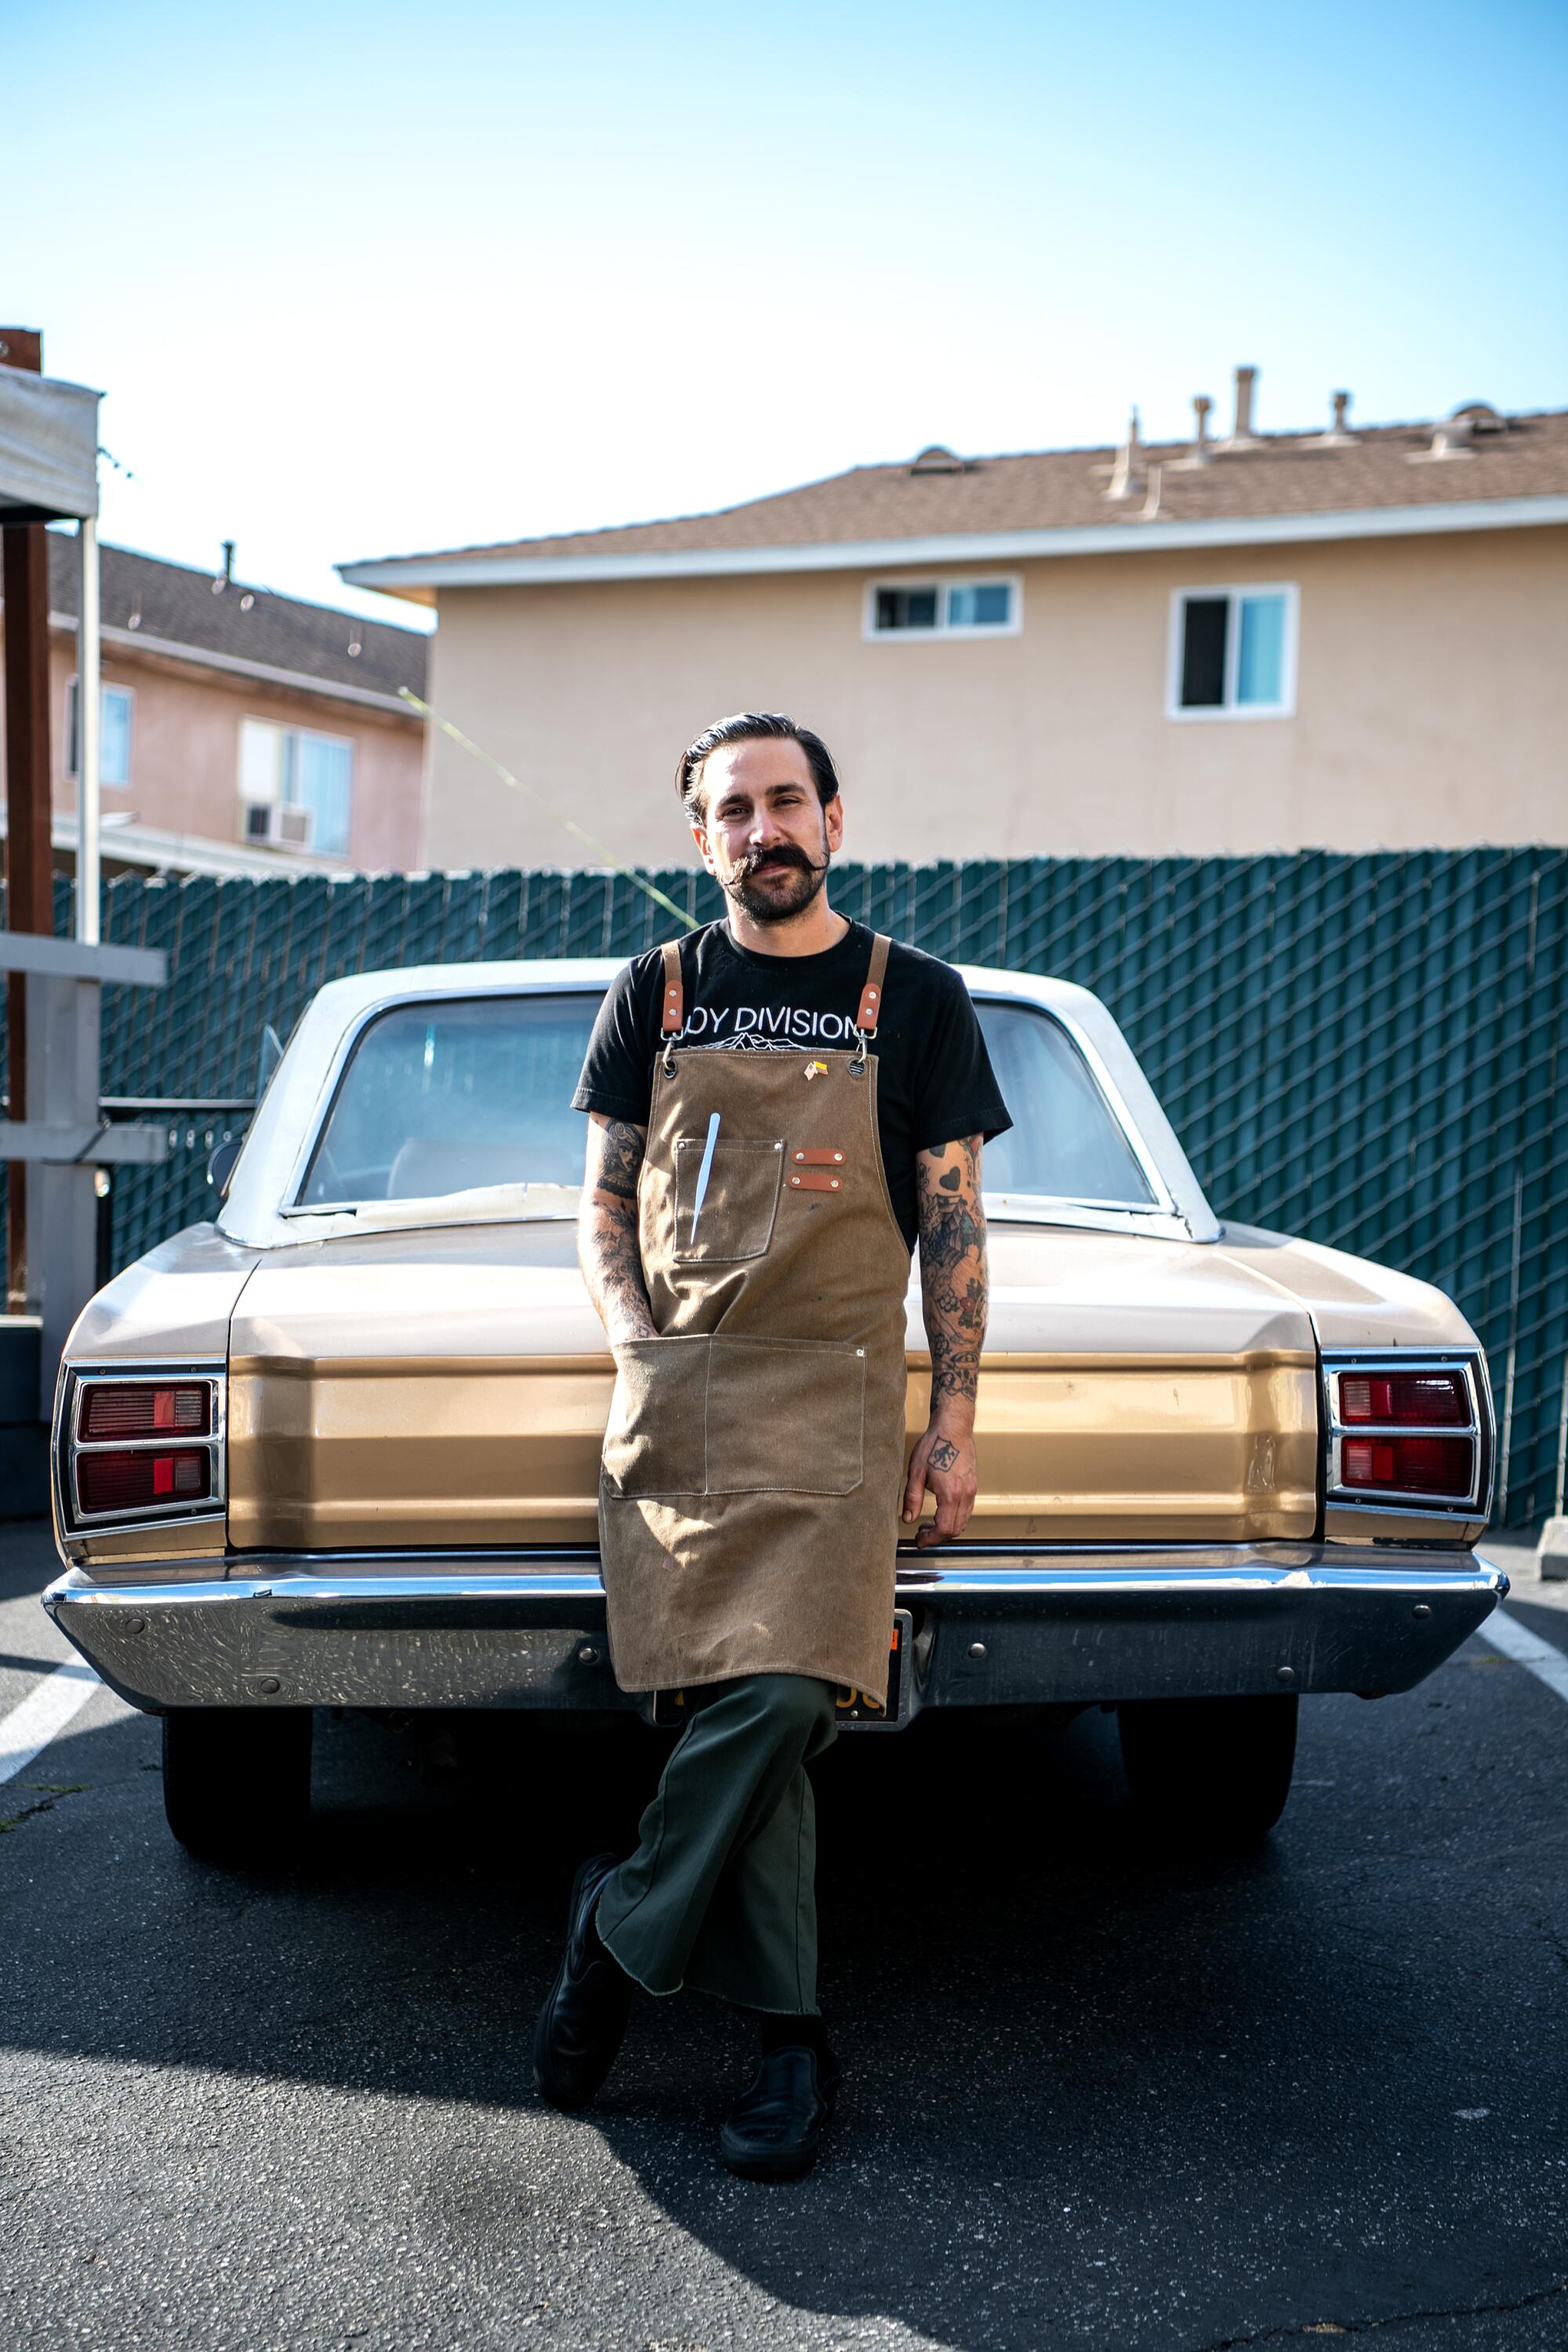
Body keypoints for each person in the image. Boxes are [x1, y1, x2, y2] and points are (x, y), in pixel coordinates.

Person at [534, 711, 1010, 2180]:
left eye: (787, 802)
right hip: (683, 1396)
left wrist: (955, 1419)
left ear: (836, 820)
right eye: (733, 811)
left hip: (838, 1411)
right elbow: (604, 1201)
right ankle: (792, 2047)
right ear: (702, 839)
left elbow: (953, 1224)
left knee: (798, 1689)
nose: (765, 831)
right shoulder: (657, 993)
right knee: (742, 1722)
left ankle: (620, 1928)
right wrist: (636, 1346)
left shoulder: (912, 998)